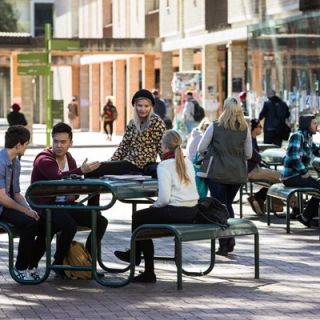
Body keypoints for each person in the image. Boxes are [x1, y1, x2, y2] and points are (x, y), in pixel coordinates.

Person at [114, 130, 199, 283]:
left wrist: (155, 206)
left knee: (139, 217)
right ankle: (135, 255)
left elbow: (164, 199)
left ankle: (142, 264)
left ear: (165, 148)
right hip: (192, 211)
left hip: (175, 211)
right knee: (143, 218)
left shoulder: (164, 165)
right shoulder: (187, 162)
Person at [31, 122, 108, 278]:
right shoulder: (43, 159)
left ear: (70, 143)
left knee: (100, 221)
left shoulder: (69, 158)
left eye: (63, 142)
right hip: (45, 208)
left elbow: (74, 188)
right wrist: (82, 170)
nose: (59, 145)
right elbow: (58, 178)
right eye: (56, 141)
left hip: (64, 206)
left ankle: (88, 262)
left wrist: (74, 195)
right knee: (68, 225)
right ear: (51, 141)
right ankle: (58, 262)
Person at [85, 89, 166, 198]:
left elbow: (162, 147)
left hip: (143, 165)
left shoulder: (157, 122)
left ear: (151, 107)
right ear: (135, 106)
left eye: (146, 106)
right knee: (93, 168)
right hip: (129, 163)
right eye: (140, 106)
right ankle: (94, 211)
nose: (143, 109)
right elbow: (123, 147)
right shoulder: (132, 123)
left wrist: (168, 165)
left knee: (93, 169)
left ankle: (93, 212)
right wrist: (110, 162)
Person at [198, 97, 252, 256]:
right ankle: (230, 237)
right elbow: (248, 154)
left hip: (216, 172)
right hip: (237, 173)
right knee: (228, 205)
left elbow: (201, 148)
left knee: (219, 206)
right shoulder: (245, 129)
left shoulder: (215, 126)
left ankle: (224, 243)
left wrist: (210, 153)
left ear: (225, 109)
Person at [0, 126, 41, 280]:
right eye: (26, 144)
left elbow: (16, 193)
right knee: (29, 223)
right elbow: (2, 198)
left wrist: (29, 209)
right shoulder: (0, 162)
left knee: (39, 219)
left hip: (6, 206)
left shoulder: (15, 162)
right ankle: (20, 268)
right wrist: (25, 212)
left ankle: (31, 265)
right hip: (1, 207)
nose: (27, 147)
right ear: (18, 145)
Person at [282, 114, 320, 227]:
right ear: (307, 125)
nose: (316, 125)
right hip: (291, 177)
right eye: (314, 123)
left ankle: (306, 217)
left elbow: (317, 151)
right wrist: (304, 172)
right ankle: (307, 216)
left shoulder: (307, 137)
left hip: (297, 175)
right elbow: (294, 156)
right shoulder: (298, 136)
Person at [247, 119, 283, 215]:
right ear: (253, 128)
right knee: (279, 176)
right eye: (260, 126)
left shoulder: (253, 139)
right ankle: (280, 204)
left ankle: (259, 197)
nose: (261, 129)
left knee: (275, 179)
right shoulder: (249, 140)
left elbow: (257, 158)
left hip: (255, 168)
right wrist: (260, 157)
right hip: (251, 171)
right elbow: (256, 157)